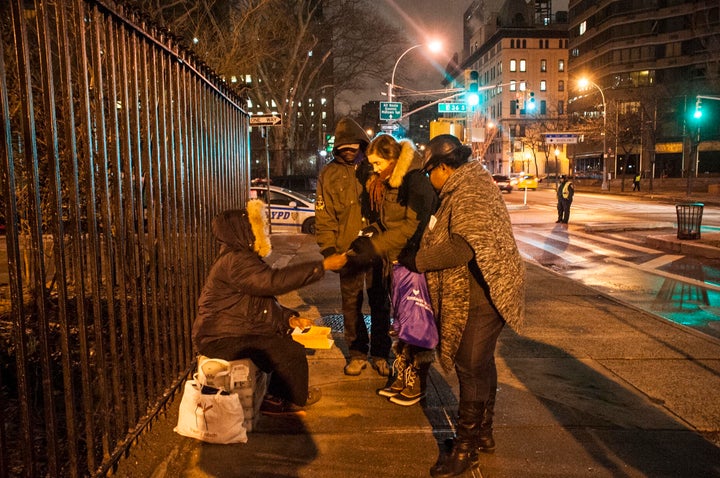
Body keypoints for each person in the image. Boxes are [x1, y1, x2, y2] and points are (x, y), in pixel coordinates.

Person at [398, 135, 525, 477]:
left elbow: (461, 248)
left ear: (443, 166)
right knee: (481, 363)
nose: (430, 180)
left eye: (430, 173)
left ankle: (465, 448)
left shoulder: (469, 190)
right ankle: (484, 433)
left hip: (485, 290)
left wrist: (418, 260)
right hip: (484, 285)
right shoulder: (467, 184)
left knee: (470, 366)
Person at [192, 202, 347, 416]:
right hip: (220, 338)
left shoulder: (241, 258)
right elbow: (274, 282)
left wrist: (288, 319)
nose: (263, 232)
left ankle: (278, 395)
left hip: (232, 330)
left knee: (285, 341)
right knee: (287, 350)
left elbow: (261, 302)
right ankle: (281, 400)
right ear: (242, 230)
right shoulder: (236, 261)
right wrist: (322, 266)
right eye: (257, 228)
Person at [346, 134, 438, 406]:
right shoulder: (391, 181)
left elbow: (412, 226)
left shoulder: (413, 180)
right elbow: (390, 223)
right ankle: (404, 375)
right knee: (402, 324)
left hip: (413, 263)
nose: (373, 168)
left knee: (416, 324)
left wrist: (377, 245)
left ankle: (417, 381)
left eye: (377, 162)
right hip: (397, 261)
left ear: (393, 159)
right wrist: (373, 234)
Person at [315, 118, 393, 377]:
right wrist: (328, 249)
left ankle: (382, 353)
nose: (349, 151)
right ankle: (357, 354)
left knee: (381, 303)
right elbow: (323, 215)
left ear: (362, 146)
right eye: (344, 148)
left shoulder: (375, 168)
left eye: (354, 147)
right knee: (351, 303)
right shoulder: (328, 174)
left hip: (377, 247)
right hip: (346, 250)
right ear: (337, 148)